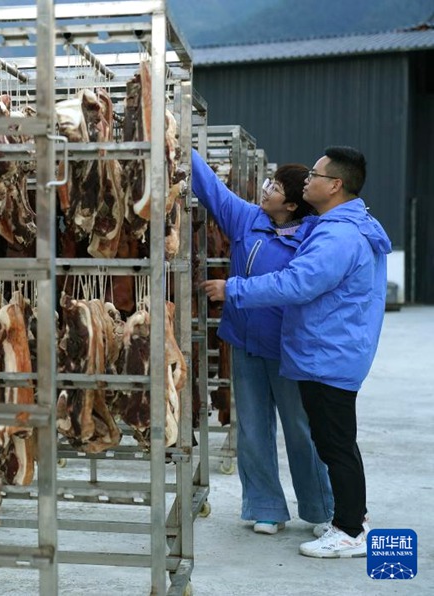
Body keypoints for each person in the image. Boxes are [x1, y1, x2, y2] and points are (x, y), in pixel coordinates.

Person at [202, 146, 391, 558]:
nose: (309, 180)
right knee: (327, 439)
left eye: (316, 176)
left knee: (329, 442)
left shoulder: (336, 234)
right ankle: (333, 517)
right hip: (316, 349)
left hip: (327, 353)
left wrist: (233, 289)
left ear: (335, 185)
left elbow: (297, 283)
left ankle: (347, 527)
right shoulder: (330, 225)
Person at [191, 148, 333, 536]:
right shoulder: (247, 220)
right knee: (253, 430)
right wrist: (176, 137)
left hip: (290, 349)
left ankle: (321, 510)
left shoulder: (313, 237)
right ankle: (266, 506)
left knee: (301, 430)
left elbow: (295, 288)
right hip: (246, 344)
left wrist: (233, 289)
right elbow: (212, 190)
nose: (264, 189)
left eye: (273, 187)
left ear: (290, 204)